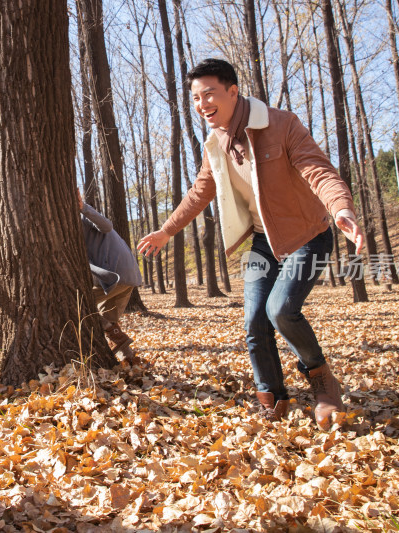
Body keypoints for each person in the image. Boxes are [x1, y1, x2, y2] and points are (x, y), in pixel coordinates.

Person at [137, 58, 364, 429]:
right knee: (255, 321)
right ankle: (273, 399)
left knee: (281, 309)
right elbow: (199, 193)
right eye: (195, 98)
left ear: (232, 91)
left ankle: (322, 380)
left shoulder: (281, 124)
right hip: (262, 242)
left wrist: (341, 209)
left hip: (307, 234)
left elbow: (317, 169)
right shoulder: (215, 145)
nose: (201, 104)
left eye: (208, 94)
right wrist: (166, 231)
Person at [79, 191, 142, 361]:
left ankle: (113, 335)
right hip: (129, 275)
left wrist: (83, 207)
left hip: (116, 274)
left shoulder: (82, 215)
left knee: (78, 306)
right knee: (111, 326)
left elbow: (106, 226)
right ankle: (130, 361)